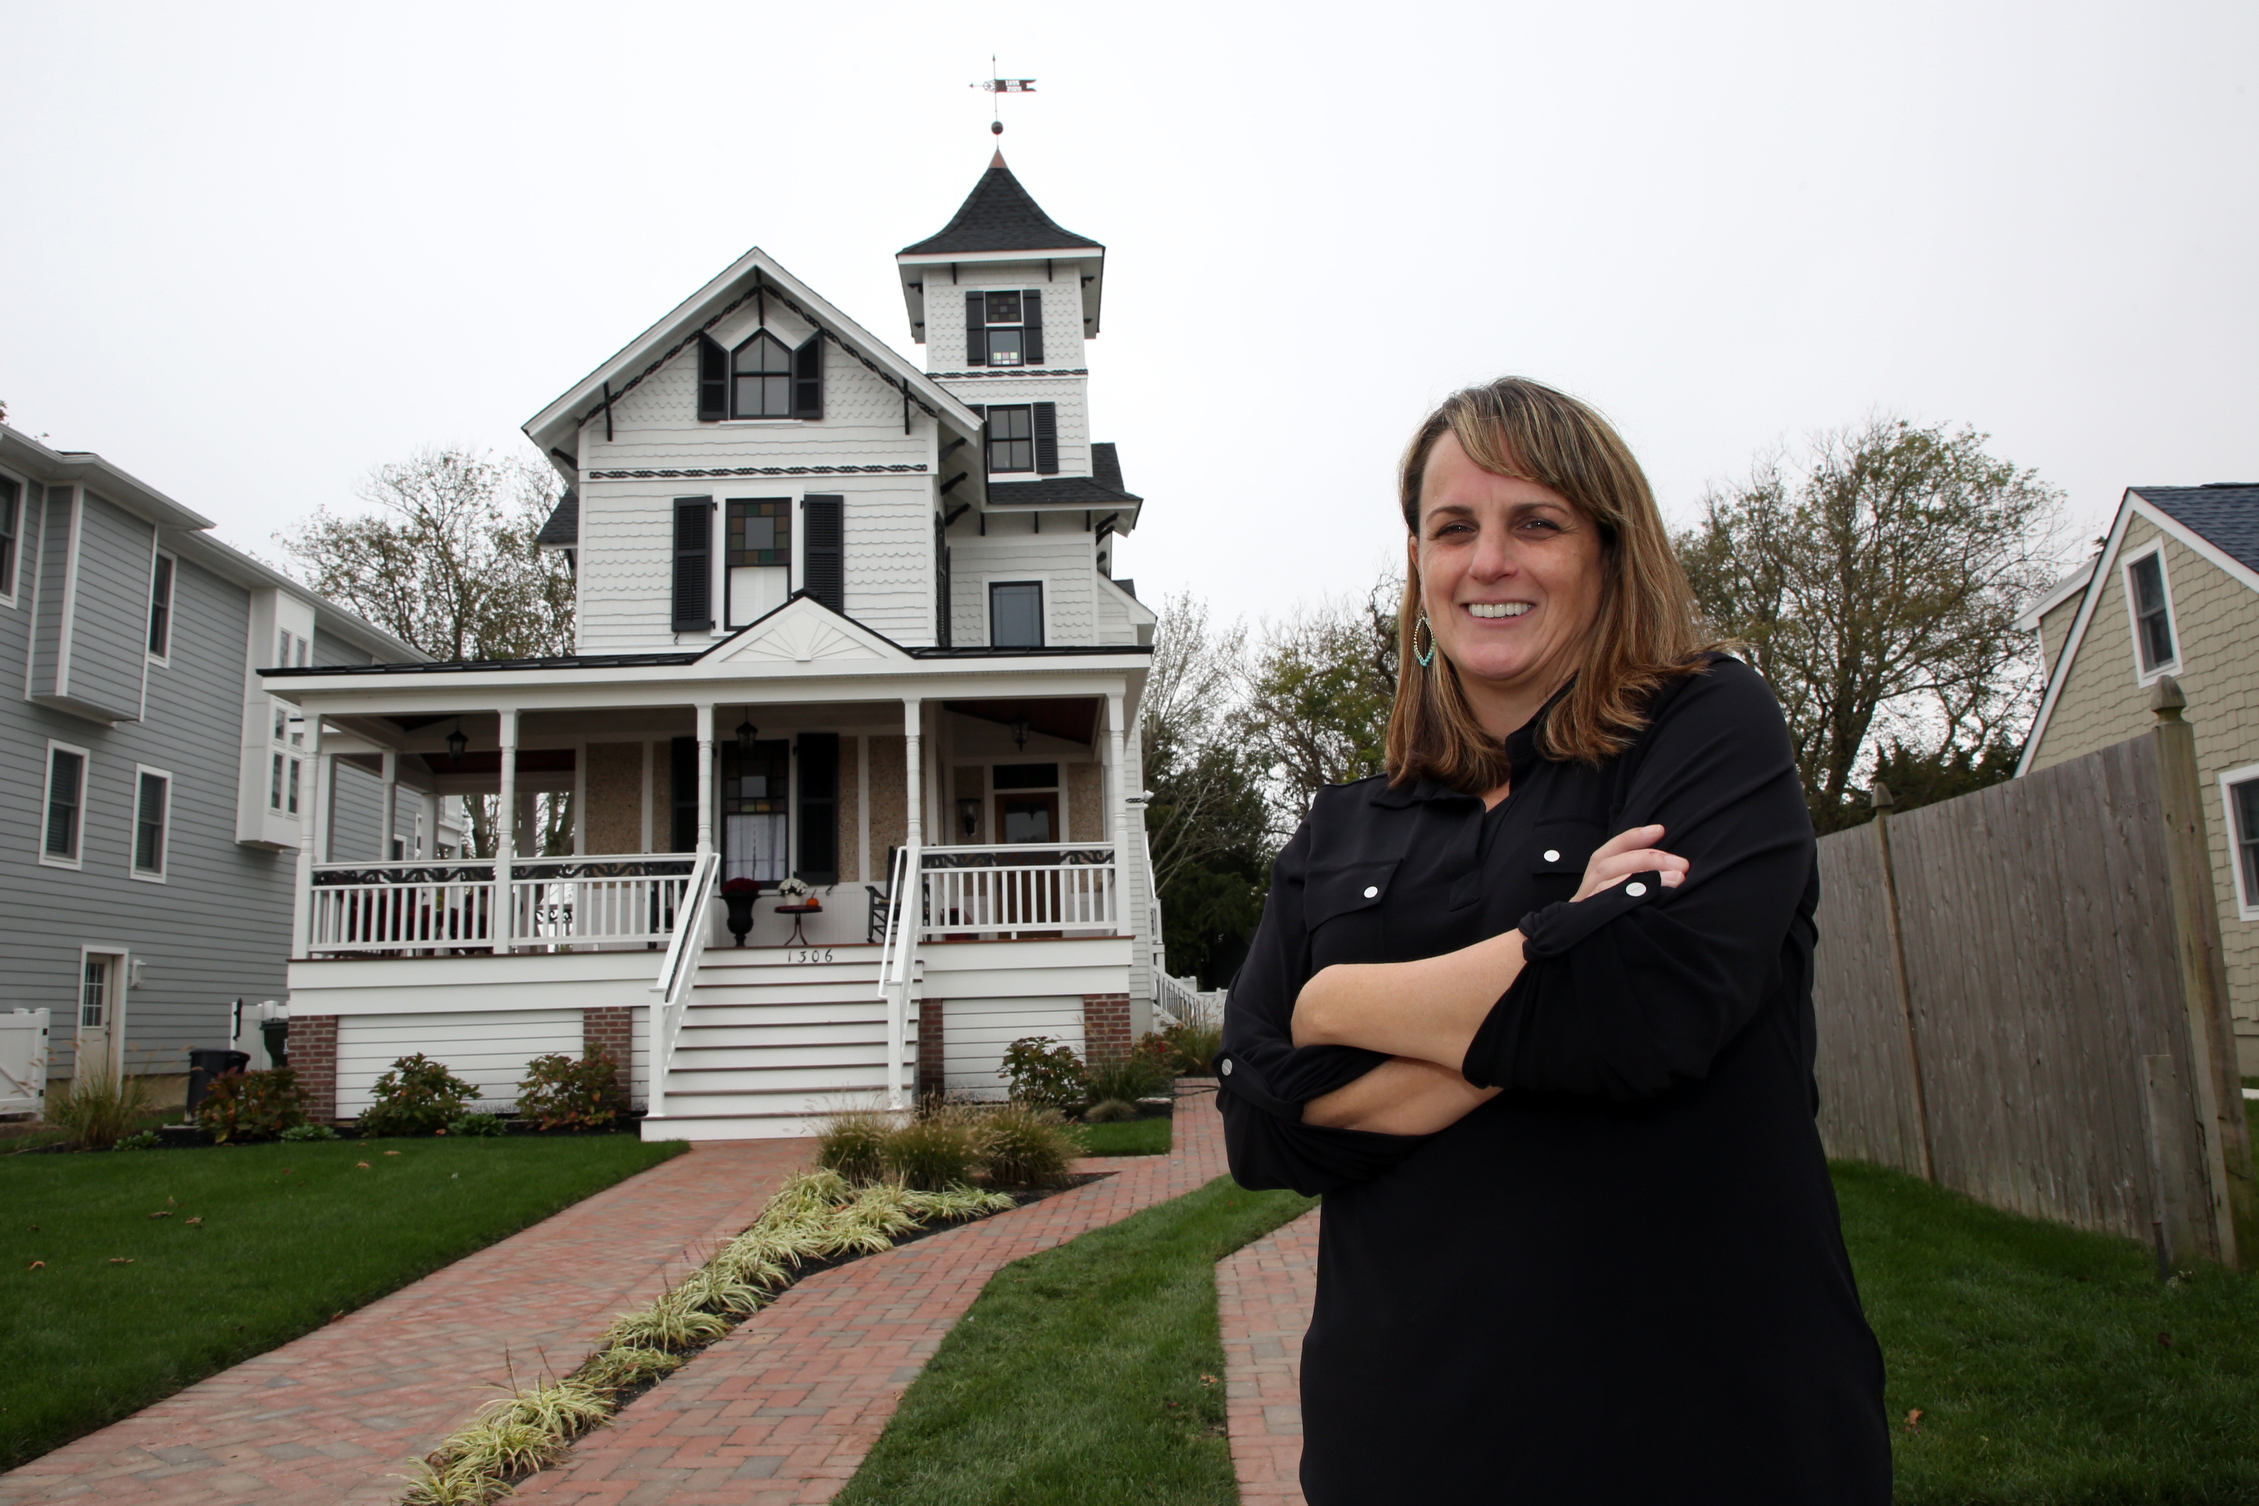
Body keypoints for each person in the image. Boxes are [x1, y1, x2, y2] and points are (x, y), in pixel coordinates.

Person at [1216, 377, 1890, 1504]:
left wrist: (1336, 1007)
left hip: (1712, 1436)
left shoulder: (1705, 726)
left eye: (1537, 523)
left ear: (1607, 551)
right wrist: (1562, 939)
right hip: (1404, 1447)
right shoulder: (1344, 825)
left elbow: (1647, 1012)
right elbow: (1258, 1122)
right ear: (1421, 569)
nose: (1490, 562)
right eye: (1454, 529)